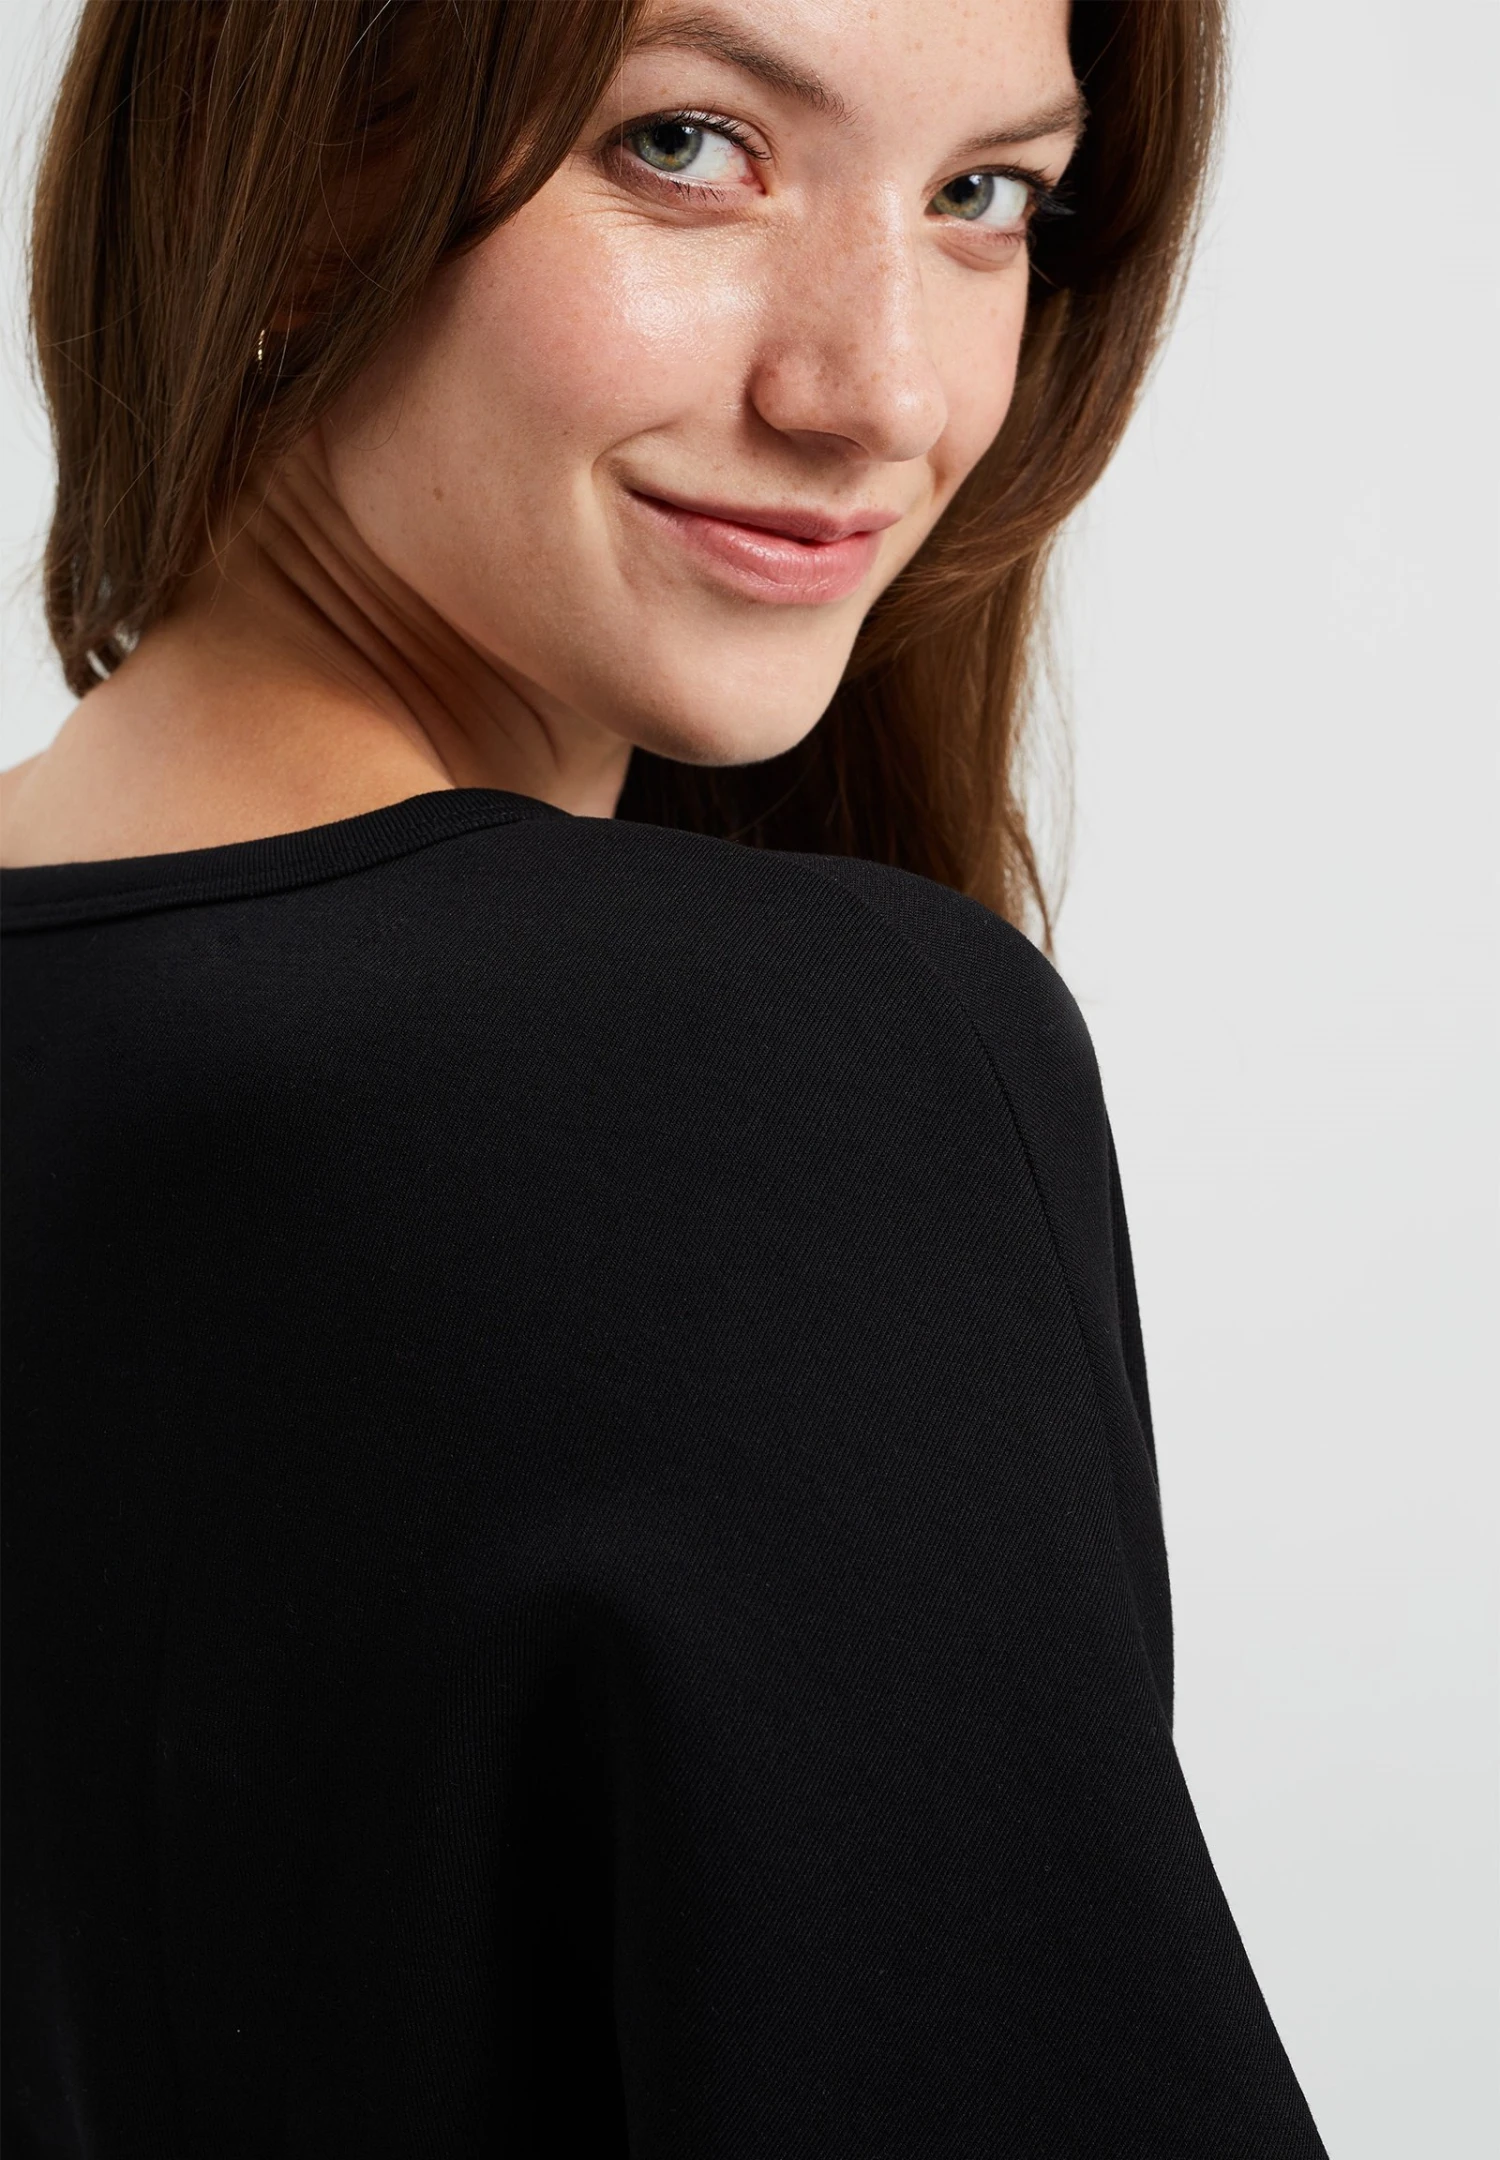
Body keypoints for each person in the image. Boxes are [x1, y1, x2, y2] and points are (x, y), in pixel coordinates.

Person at [0, 0, 1331, 2151]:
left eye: (984, 194)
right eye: (689, 146)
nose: (881, 392)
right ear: (305, 170)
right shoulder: (771, 1069)